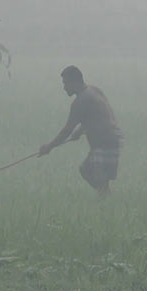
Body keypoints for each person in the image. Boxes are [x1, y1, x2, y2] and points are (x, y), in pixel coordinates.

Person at [39, 66, 123, 196]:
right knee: (86, 170)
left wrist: (48, 147)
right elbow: (96, 116)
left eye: (66, 83)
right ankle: (106, 198)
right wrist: (80, 130)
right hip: (111, 139)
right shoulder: (94, 90)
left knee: (98, 177)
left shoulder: (81, 101)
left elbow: (66, 131)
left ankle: (106, 200)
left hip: (105, 142)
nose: (64, 88)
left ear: (74, 82)